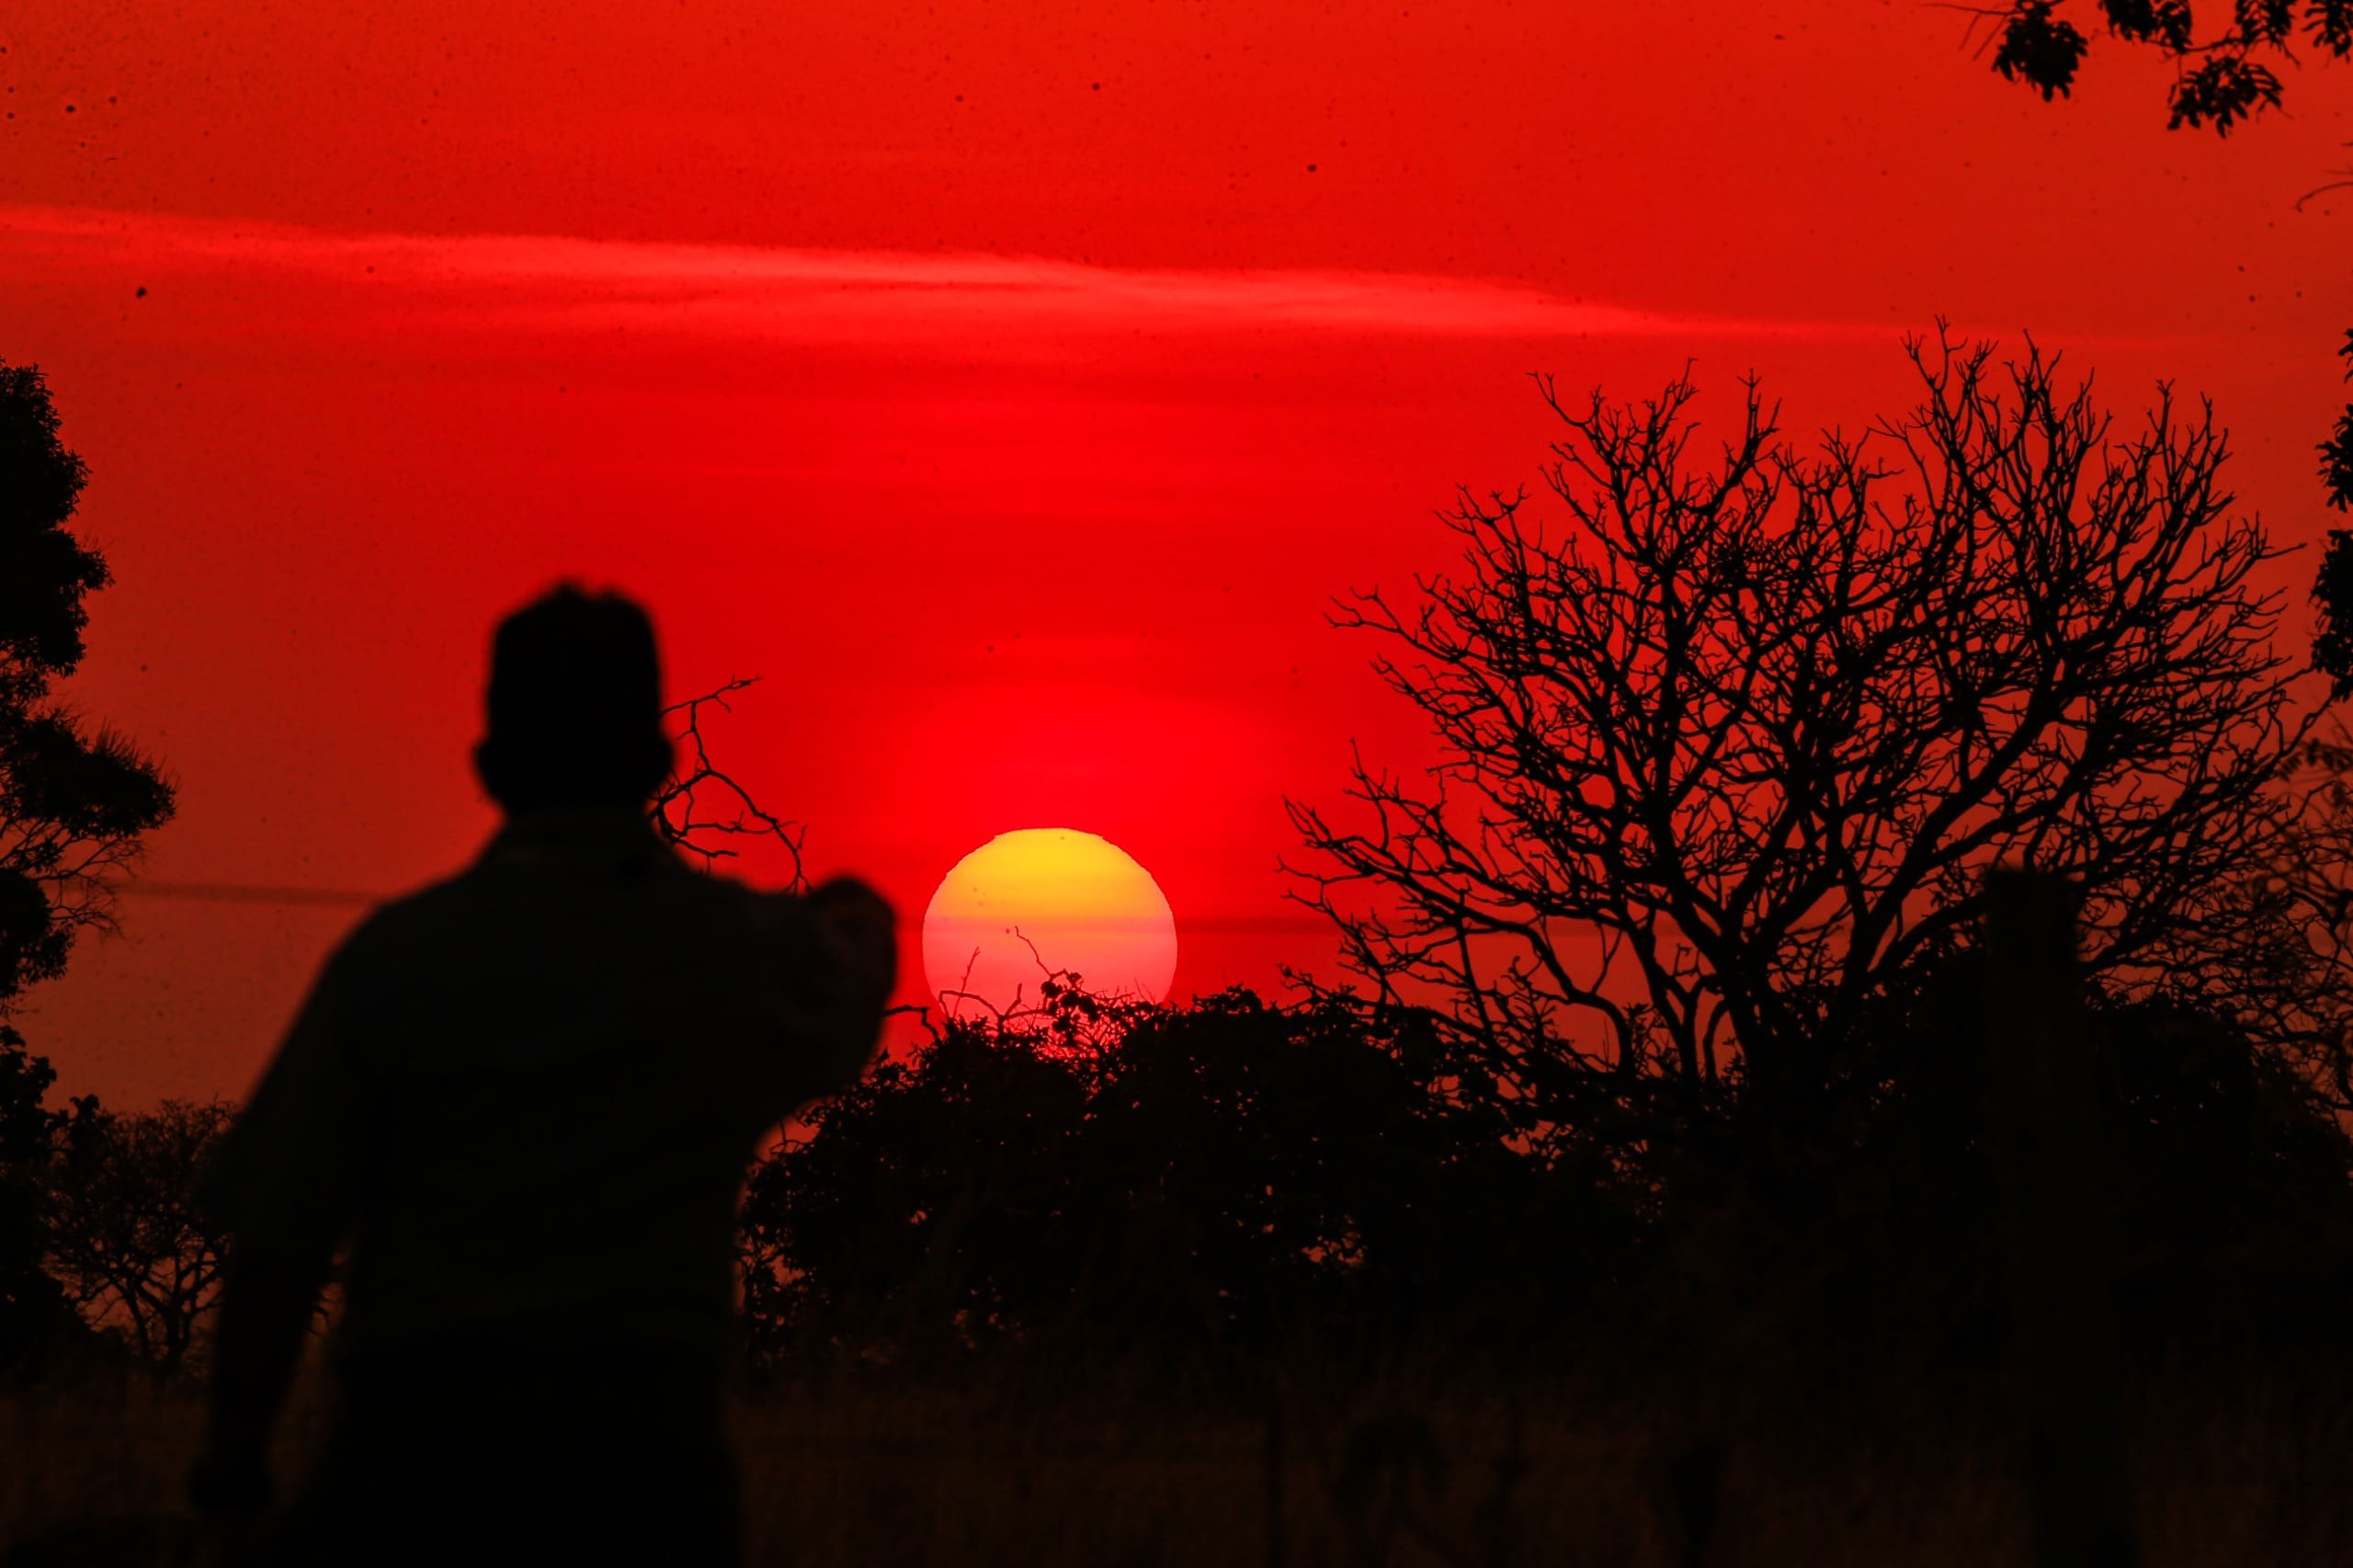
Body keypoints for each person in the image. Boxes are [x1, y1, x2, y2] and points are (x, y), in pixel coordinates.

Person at [188, 585, 894, 1566]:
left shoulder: (396, 960)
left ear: (491, 764)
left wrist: (232, 1472)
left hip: (415, 1458)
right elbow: (851, 981)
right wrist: (856, 907)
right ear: (657, 760)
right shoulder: (745, 955)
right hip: (646, 1467)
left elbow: (279, 1242)